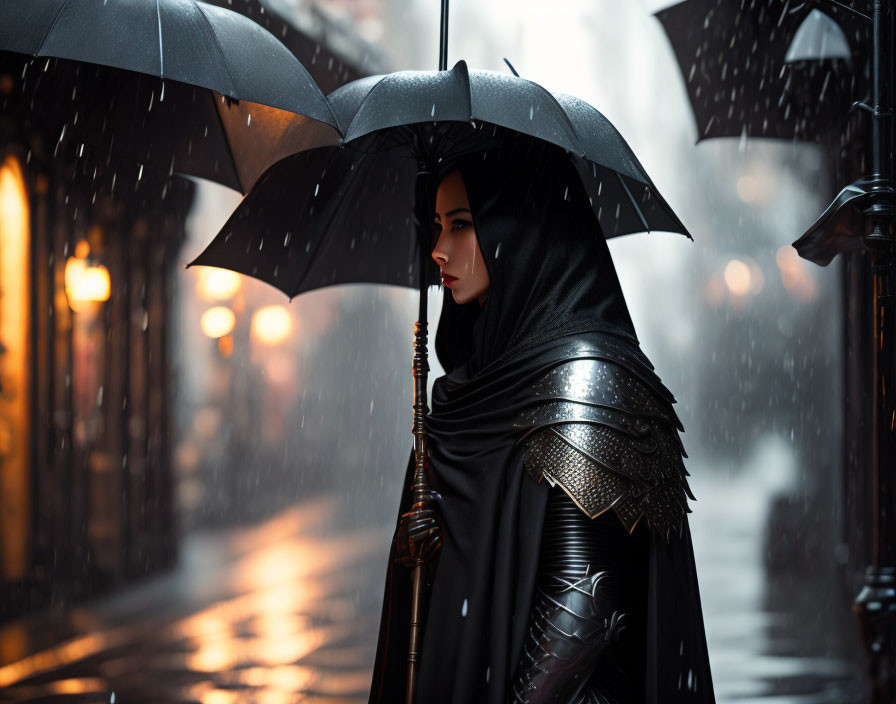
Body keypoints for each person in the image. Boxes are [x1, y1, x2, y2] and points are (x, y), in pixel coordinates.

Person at [368, 131, 715, 704]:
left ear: (516, 227)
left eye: (460, 223)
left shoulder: (588, 377)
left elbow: (584, 600)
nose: (437, 249)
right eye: (436, 226)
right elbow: (486, 554)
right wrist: (419, 556)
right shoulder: (475, 384)